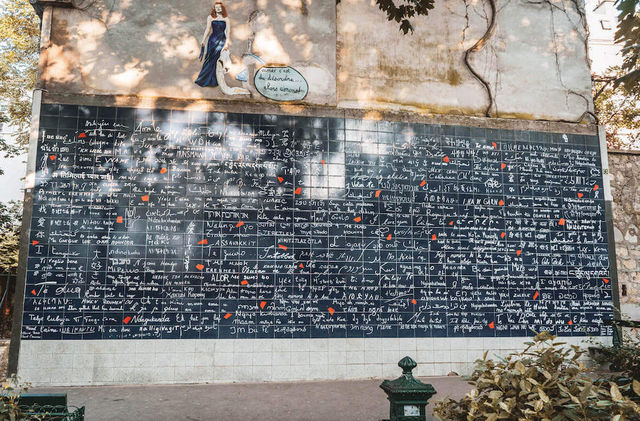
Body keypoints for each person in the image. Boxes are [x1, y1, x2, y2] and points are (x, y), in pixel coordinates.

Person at [195, 2, 230, 88]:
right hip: (212, 40)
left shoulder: (226, 19)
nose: (218, 9)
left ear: (222, 8)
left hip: (222, 40)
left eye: (219, 7)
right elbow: (208, 29)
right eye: (216, 7)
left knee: (217, 59)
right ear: (214, 8)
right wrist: (203, 40)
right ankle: (204, 79)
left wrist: (226, 44)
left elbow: (228, 32)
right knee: (209, 58)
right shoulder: (210, 17)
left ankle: (214, 80)